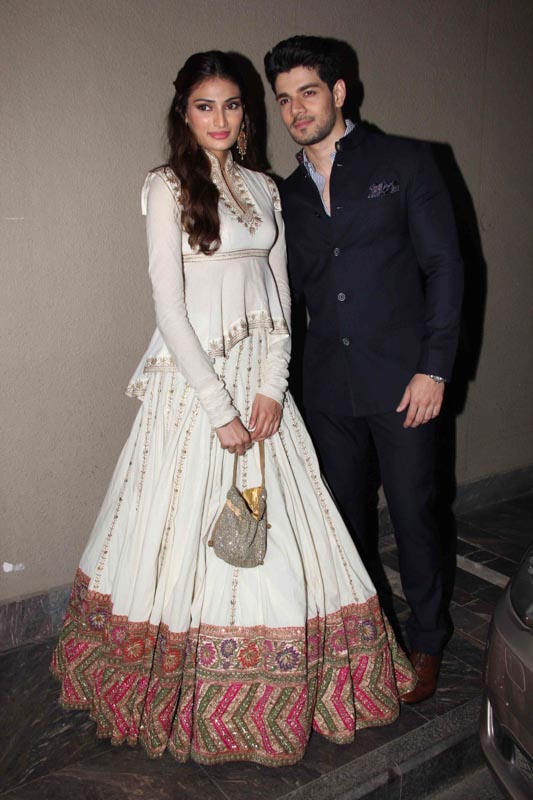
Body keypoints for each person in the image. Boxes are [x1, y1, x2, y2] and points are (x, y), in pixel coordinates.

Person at [51, 51, 416, 767]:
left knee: (283, 532)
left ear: (245, 114)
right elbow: (168, 306)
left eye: (231, 105)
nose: (219, 119)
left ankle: (290, 684)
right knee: (180, 530)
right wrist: (219, 407)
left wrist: (271, 388)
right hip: (195, 387)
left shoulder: (264, 187)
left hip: (261, 385)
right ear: (183, 113)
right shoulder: (165, 186)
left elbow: (279, 298)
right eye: (204, 106)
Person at [264, 36, 464, 704]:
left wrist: (435, 369)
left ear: (339, 91)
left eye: (308, 92)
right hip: (325, 388)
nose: (296, 110)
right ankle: (367, 640)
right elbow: (282, 299)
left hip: (406, 383)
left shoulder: (405, 162)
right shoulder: (283, 195)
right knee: (343, 525)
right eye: (284, 99)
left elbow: (445, 268)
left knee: (413, 514)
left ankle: (427, 639)